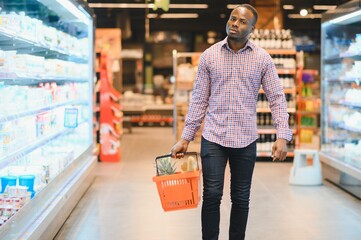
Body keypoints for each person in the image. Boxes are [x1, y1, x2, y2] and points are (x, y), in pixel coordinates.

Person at [170, 4, 292, 240]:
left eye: (242, 21)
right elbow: (199, 99)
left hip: (246, 139)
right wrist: (185, 138)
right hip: (214, 138)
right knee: (212, 195)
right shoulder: (210, 55)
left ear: (252, 28)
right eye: (232, 19)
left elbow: (277, 98)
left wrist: (282, 135)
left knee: (241, 197)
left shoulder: (262, 59)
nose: (235, 24)